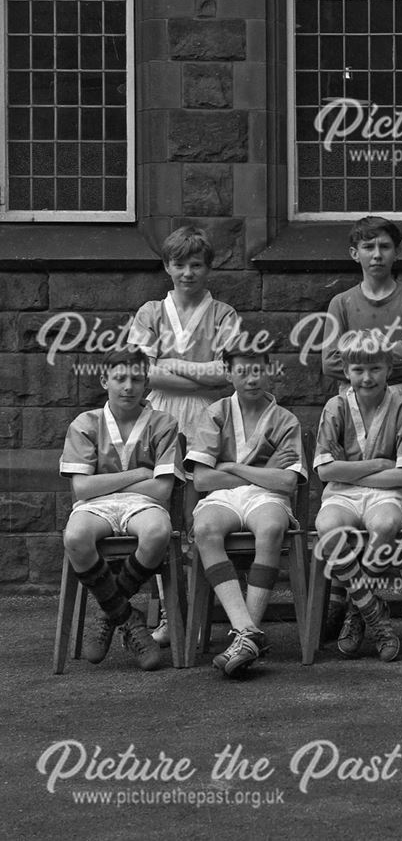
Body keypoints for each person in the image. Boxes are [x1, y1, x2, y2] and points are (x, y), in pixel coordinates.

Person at [128, 224, 241, 647]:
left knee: (202, 510)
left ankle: (204, 615)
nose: (188, 272)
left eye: (196, 265)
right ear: (167, 266)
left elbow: (227, 374)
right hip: (157, 415)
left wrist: (172, 364)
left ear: (208, 268)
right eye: (179, 264)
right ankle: (170, 616)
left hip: (208, 418)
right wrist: (201, 371)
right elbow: (143, 371)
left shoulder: (223, 314)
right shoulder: (150, 312)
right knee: (164, 512)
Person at [186, 346, 306, 677]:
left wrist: (232, 466)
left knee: (270, 528)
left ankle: (245, 636)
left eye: (257, 371)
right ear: (228, 374)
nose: (251, 378)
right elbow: (201, 479)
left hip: (266, 496)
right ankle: (247, 631)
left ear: (269, 372)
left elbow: (285, 482)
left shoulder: (285, 419)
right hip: (222, 497)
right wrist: (260, 466)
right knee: (206, 529)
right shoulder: (215, 412)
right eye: (242, 372)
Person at [59, 348, 182, 671]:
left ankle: (109, 612)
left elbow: (162, 489)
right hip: (94, 505)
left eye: (136, 379)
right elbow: (82, 489)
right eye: (120, 378)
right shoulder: (85, 423)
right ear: (105, 380)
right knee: (75, 537)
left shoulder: (163, 423)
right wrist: (140, 473)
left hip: (143, 504)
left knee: (158, 532)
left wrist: (106, 481)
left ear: (147, 385)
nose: (128, 386)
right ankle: (129, 620)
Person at [313, 334, 402, 662]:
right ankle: (375, 614)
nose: (367, 377)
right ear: (346, 371)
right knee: (327, 526)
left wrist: (348, 469)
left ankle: (356, 610)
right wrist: (377, 464)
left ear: (389, 368)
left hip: (386, 494)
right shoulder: (335, 407)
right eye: (358, 369)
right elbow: (324, 472)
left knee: (387, 523)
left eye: (375, 368)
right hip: (342, 495)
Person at [321, 216, 402, 407]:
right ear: (355, 253)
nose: (377, 254)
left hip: (400, 394)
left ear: (397, 252)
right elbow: (329, 362)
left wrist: (355, 360)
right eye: (369, 247)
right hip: (352, 397)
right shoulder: (341, 303)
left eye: (385, 247)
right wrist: (382, 362)